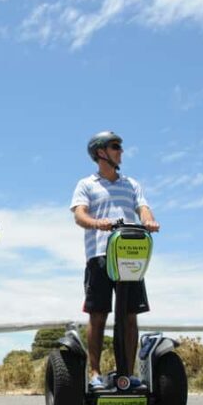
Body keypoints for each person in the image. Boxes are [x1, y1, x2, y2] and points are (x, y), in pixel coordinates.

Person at [70, 131, 160, 389]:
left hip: (130, 255)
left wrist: (148, 220)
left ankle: (127, 374)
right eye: (115, 146)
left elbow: (143, 207)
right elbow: (79, 215)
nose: (121, 151)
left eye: (120, 146)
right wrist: (96, 223)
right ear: (100, 152)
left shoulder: (131, 184)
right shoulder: (86, 184)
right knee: (98, 315)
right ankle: (95, 374)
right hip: (100, 255)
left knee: (130, 316)